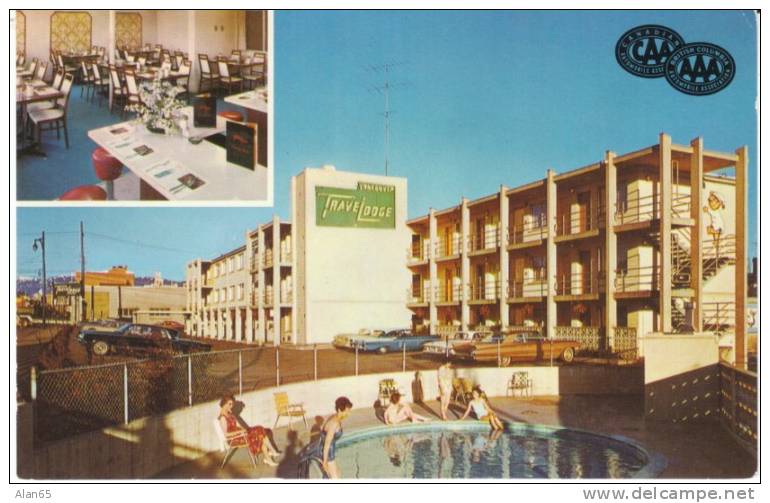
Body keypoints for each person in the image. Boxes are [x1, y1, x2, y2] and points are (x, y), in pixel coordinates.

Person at [297, 396, 353, 479]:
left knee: (337, 473)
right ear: (339, 410)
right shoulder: (334, 423)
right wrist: (324, 461)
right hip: (328, 451)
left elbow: (323, 432)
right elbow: (327, 443)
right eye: (347, 411)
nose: (349, 413)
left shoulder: (335, 417)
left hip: (330, 449)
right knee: (335, 478)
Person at [218, 395, 279, 466]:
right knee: (260, 434)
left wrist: (241, 429)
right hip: (234, 439)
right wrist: (240, 431)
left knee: (260, 430)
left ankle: (270, 456)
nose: (231, 406)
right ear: (224, 404)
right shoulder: (223, 418)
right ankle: (270, 455)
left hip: (240, 434)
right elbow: (226, 435)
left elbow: (234, 426)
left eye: (232, 404)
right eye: (229, 404)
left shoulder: (228, 413)